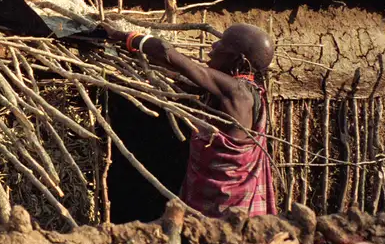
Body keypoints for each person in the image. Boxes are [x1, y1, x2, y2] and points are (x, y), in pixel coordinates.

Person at [103, 22, 277, 218]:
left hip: (224, 204)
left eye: (221, 44)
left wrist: (121, 35)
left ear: (239, 60)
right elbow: (174, 65)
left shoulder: (236, 91)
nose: (213, 47)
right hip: (234, 198)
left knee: (217, 239)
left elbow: (167, 52)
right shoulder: (248, 93)